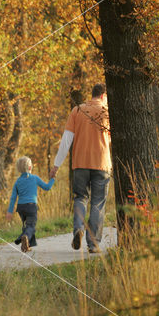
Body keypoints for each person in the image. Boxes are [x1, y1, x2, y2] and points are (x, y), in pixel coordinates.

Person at [50, 83, 111, 253]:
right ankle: (93, 244)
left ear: (92, 95)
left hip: (80, 163)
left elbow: (66, 140)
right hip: (102, 163)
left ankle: (78, 228)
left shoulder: (77, 111)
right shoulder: (107, 112)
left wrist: (56, 165)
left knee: (80, 198)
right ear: (103, 95)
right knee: (98, 203)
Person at [6, 156, 55, 252]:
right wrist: (52, 179)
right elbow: (47, 187)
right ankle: (25, 237)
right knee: (31, 226)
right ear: (29, 167)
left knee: (26, 226)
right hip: (31, 206)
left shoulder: (17, 182)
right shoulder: (35, 178)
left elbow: (13, 198)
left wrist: (9, 211)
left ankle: (26, 245)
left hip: (21, 207)